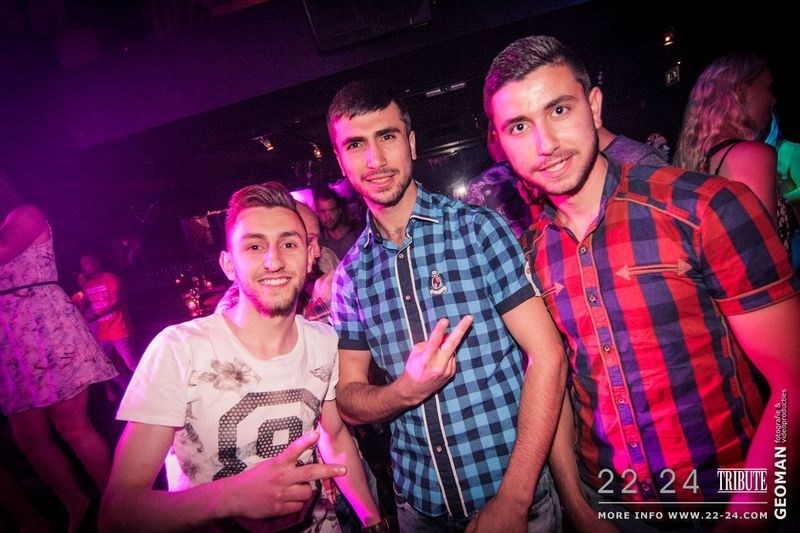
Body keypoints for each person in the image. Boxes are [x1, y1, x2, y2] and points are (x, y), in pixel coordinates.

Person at [483, 34, 800, 531]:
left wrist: (755, 507)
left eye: (559, 110)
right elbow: (555, 386)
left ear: (594, 106)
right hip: (610, 504)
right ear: (501, 143)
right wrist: (579, 507)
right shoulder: (528, 255)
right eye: (519, 126)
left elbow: (791, 382)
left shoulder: (704, 207)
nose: (545, 144)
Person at [326, 80, 567, 532]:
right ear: (341, 161)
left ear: (412, 143)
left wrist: (514, 499)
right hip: (420, 511)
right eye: (356, 145)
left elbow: (548, 355)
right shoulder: (350, 276)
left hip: (515, 498)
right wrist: (403, 391)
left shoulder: (478, 230)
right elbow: (349, 399)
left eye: (387, 136)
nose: (375, 160)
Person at [99, 182, 384, 532]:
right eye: (254, 246)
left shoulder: (322, 341)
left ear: (310, 255)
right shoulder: (179, 349)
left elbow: (335, 437)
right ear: (228, 264)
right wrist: (232, 498)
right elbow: (118, 512)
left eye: (289, 244)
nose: (274, 261)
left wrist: (372, 520)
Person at [0, 174, 118, 533]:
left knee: (71, 425)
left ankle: (120, 506)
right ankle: (76, 504)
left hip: (42, 325)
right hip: (9, 337)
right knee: (28, 436)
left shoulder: (25, 214)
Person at [673, 51, 797, 252]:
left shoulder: (702, 159)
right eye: (767, 87)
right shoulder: (751, 155)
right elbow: (760, 254)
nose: (773, 99)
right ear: (741, 92)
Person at [78, 252, 138, 390]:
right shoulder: (89, 285)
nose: (84, 267)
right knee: (102, 365)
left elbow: (116, 303)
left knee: (131, 364)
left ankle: (151, 383)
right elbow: (82, 304)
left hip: (118, 329)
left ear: (97, 263)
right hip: (103, 333)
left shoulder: (110, 278)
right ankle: (125, 385)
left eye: (87, 263)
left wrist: (96, 316)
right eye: (82, 264)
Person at [313, 186, 364, 261]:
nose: (327, 217)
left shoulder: (358, 233)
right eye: (323, 212)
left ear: (339, 210)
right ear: (317, 213)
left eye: (331, 211)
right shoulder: (320, 243)